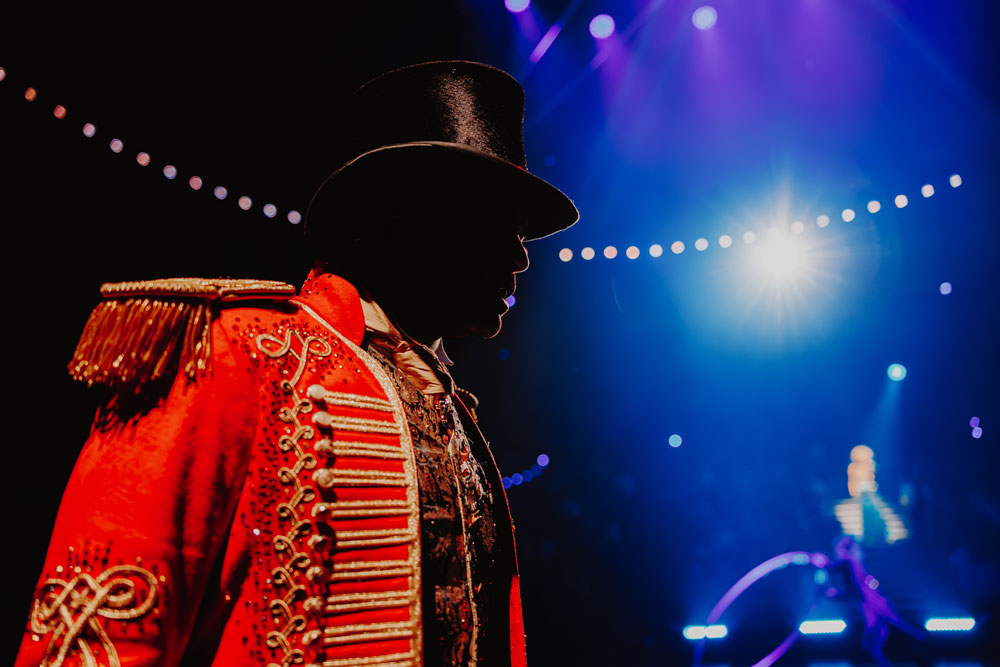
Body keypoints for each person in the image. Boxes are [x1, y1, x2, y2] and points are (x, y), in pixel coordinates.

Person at [15, 60, 578, 667]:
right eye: (495, 223)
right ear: (405, 216)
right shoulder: (238, 349)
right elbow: (107, 616)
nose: (520, 258)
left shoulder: (450, 408)